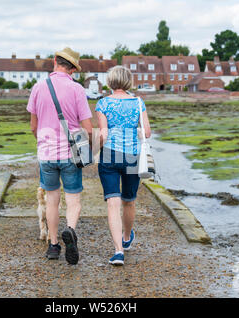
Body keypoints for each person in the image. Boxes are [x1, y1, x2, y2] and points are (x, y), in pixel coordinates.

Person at [27, 47, 93, 265]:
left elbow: (33, 127)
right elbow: (89, 129)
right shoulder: (77, 90)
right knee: (73, 200)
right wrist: (90, 145)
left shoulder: (38, 87)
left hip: (46, 154)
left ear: (54, 61)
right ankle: (71, 231)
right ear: (73, 69)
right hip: (70, 155)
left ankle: (54, 245)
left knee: (52, 201)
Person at [95, 66, 151, 266]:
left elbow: (103, 134)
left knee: (113, 203)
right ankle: (127, 238)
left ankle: (118, 251)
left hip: (109, 155)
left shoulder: (102, 103)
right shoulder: (138, 102)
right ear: (128, 82)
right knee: (129, 200)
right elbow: (147, 132)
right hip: (132, 157)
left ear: (110, 82)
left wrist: (95, 149)